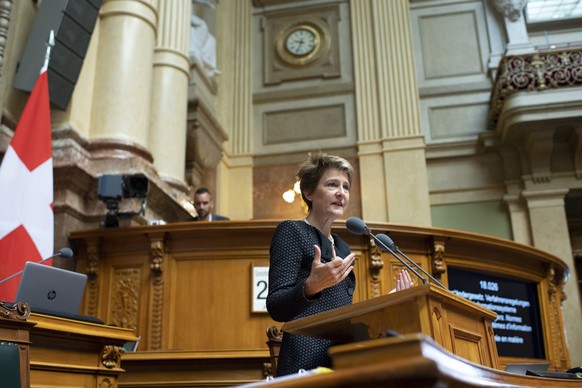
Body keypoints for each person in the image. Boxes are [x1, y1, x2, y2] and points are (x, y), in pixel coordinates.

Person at [266, 152, 414, 376]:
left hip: (343, 359)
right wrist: (311, 286)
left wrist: (386, 304)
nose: (341, 193)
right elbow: (276, 306)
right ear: (308, 192)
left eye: (345, 187)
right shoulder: (292, 231)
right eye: (332, 185)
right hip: (305, 359)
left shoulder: (343, 247)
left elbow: (342, 313)